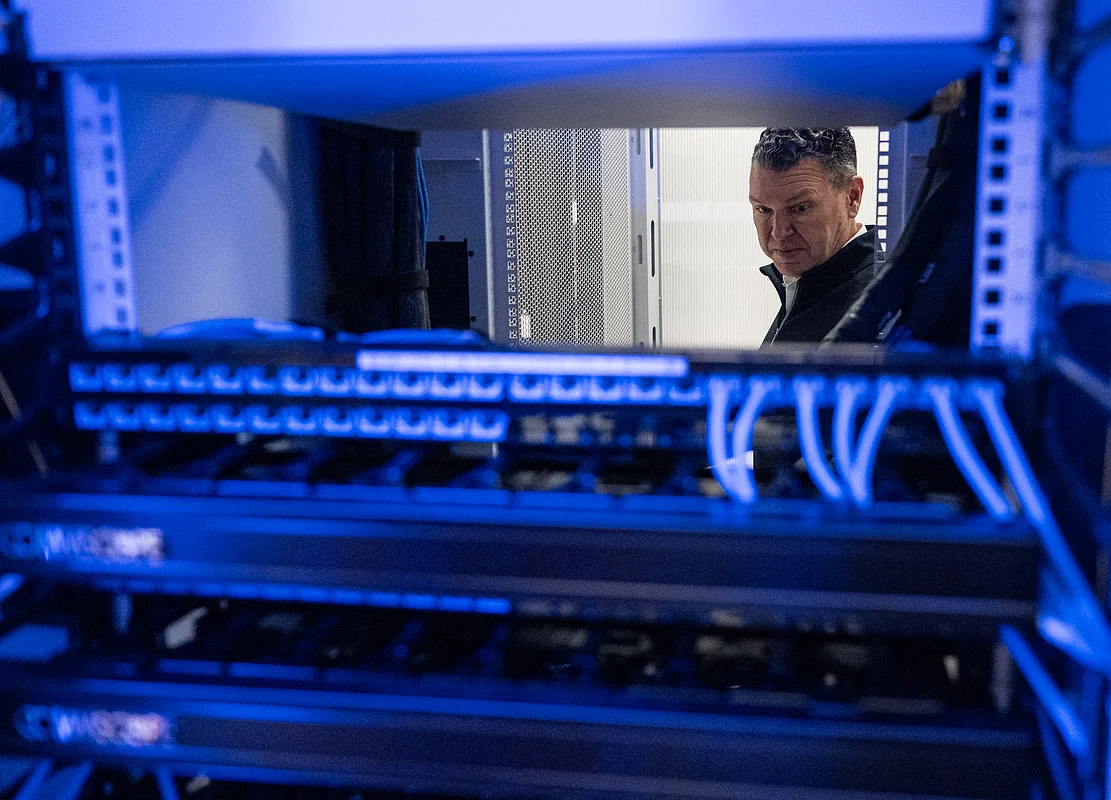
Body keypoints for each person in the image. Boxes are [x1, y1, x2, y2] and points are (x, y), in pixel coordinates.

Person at [749, 127, 876, 344]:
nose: (779, 233)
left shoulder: (876, 304)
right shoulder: (802, 284)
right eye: (763, 209)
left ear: (852, 197)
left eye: (800, 208)